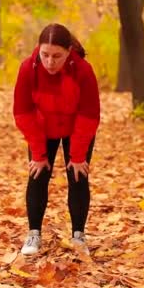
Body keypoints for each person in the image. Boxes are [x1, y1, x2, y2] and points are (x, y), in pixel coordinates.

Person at [13, 23, 100, 256]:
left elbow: (89, 115)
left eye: (57, 56)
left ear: (69, 52)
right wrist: (39, 155)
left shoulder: (83, 71)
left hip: (76, 128)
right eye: (45, 55)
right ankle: (33, 234)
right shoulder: (28, 69)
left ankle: (78, 236)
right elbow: (23, 113)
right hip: (42, 128)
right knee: (38, 173)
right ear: (38, 50)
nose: (50, 62)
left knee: (78, 175)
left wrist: (78, 155)